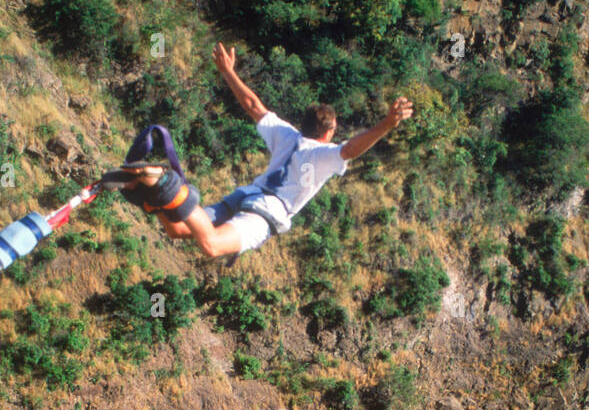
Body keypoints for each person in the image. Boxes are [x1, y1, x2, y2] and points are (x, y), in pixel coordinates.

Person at [108, 43, 413, 260]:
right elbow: (352, 149)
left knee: (176, 229)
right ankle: (166, 180)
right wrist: (387, 123)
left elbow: (252, 105)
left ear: (304, 123)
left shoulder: (285, 133)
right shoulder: (325, 155)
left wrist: (228, 71)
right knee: (211, 246)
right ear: (329, 132)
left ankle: (151, 190)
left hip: (245, 195)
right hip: (266, 212)